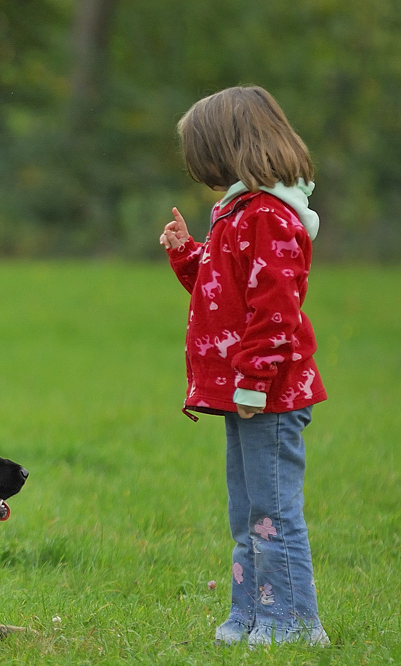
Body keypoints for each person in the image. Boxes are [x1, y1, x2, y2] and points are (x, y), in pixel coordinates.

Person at [159, 86, 329, 646]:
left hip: (270, 394)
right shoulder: (237, 211)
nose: (197, 168)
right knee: (248, 514)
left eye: (200, 155)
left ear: (228, 148)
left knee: (273, 514)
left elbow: (276, 309)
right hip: (245, 392)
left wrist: (254, 380)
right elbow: (223, 298)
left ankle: (293, 624)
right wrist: (189, 254)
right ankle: (250, 616)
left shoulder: (270, 217)